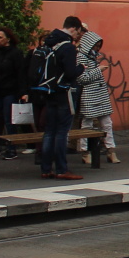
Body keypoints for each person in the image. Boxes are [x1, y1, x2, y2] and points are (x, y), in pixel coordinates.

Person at [39, 16, 86, 180]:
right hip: (63, 93)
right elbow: (70, 73)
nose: (78, 36)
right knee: (61, 132)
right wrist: (81, 67)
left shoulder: (49, 42)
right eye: (79, 32)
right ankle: (61, 169)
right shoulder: (68, 47)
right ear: (73, 28)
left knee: (49, 131)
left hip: (49, 92)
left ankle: (46, 168)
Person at [75, 30, 119, 164]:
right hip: (89, 94)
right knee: (87, 124)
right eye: (95, 45)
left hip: (99, 94)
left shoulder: (92, 56)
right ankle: (85, 151)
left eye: (99, 46)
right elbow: (82, 78)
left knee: (107, 123)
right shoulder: (81, 57)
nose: (97, 48)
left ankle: (111, 150)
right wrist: (98, 70)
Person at [0, 26, 27, 161]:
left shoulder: (16, 54)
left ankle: (11, 148)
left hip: (10, 90)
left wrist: (23, 92)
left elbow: (21, 73)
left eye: (0, 37)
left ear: (8, 39)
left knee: (9, 120)